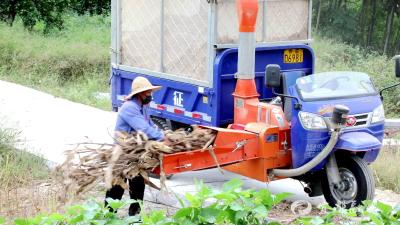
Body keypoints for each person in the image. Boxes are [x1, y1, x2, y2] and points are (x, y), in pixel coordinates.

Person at [105, 76, 164, 216]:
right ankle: (107, 217)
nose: (150, 95)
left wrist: (163, 133)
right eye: (148, 93)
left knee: (138, 187)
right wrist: (162, 138)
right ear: (140, 94)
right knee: (116, 188)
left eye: (150, 92)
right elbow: (143, 129)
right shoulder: (129, 108)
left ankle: (135, 218)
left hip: (136, 155)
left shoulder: (142, 107)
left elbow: (150, 125)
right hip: (123, 155)